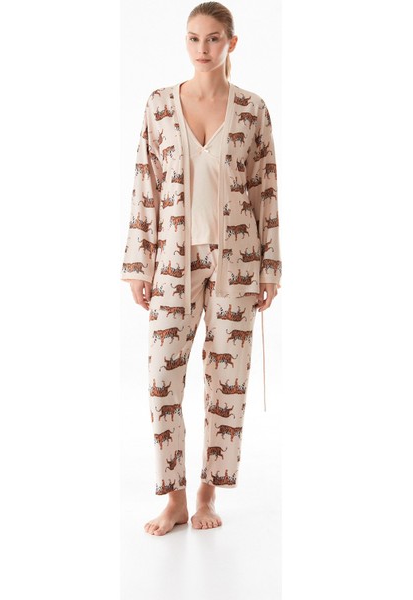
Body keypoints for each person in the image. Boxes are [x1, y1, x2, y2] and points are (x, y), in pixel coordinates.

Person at [121, 2, 282, 536]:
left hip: (238, 260)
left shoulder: (253, 110)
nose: (202, 48)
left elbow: (266, 191)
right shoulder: (159, 106)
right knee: (161, 379)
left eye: (213, 38)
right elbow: (145, 185)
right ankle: (173, 499)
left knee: (225, 383)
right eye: (193, 38)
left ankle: (208, 494)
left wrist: (270, 268)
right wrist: (139, 264)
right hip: (172, 261)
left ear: (231, 43)